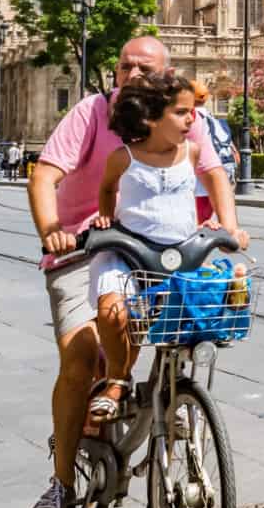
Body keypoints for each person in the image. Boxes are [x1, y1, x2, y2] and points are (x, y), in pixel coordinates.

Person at [23, 35, 247, 508]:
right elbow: (43, 177)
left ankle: (172, 406)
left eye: (144, 69)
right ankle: (61, 483)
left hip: (162, 252)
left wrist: (229, 227)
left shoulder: (184, 123)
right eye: (124, 66)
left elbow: (214, 175)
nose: (131, 75)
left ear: (167, 78)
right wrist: (53, 231)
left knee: (195, 321)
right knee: (83, 357)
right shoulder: (89, 113)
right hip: (87, 250)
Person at [85, 69, 209, 424]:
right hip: (128, 253)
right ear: (150, 118)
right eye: (181, 112)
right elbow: (108, 188)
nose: (191, 118)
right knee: (114, 312)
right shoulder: (123, 157)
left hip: (177, 254)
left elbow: (197, 191)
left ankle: (173, 393)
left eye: (191, 111)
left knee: (191, 319)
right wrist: (106, 219)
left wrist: (215, 224)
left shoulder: (192, 152)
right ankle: (118, 379)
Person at [188, 78, 237, 225]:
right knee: (209, 226)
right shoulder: (214, 119)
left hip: (198, 185)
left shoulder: (191, 118)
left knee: (196, 227)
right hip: (218, 182)